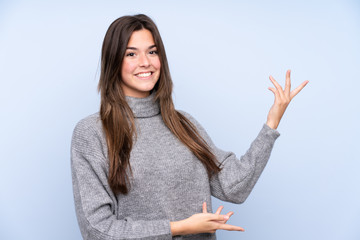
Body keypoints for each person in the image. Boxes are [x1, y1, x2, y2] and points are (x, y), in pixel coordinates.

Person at [70, 14, 308, 240]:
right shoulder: (92, 133)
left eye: (152, 52)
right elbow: (97, 231)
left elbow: (235, 187)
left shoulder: (183, 124)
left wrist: (271, 124)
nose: (145, 62)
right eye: (131, 54)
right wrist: (180, 228)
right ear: (114, 61)